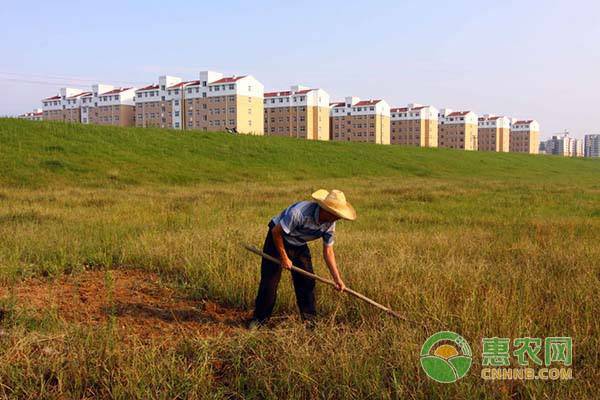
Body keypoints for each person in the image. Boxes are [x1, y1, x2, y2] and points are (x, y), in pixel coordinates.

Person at [248, 189, 356, 328]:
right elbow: (276, 232)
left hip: (299, 243)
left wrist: (337, 278)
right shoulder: (299, 213)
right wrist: (284, 257)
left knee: (307, 281)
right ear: (325, 210)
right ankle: (259, 320)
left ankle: (310, 321)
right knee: (270, 282)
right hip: (278, 239)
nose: (338, 218)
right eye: (335, 214)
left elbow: (328, 251)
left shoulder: (330, 224)